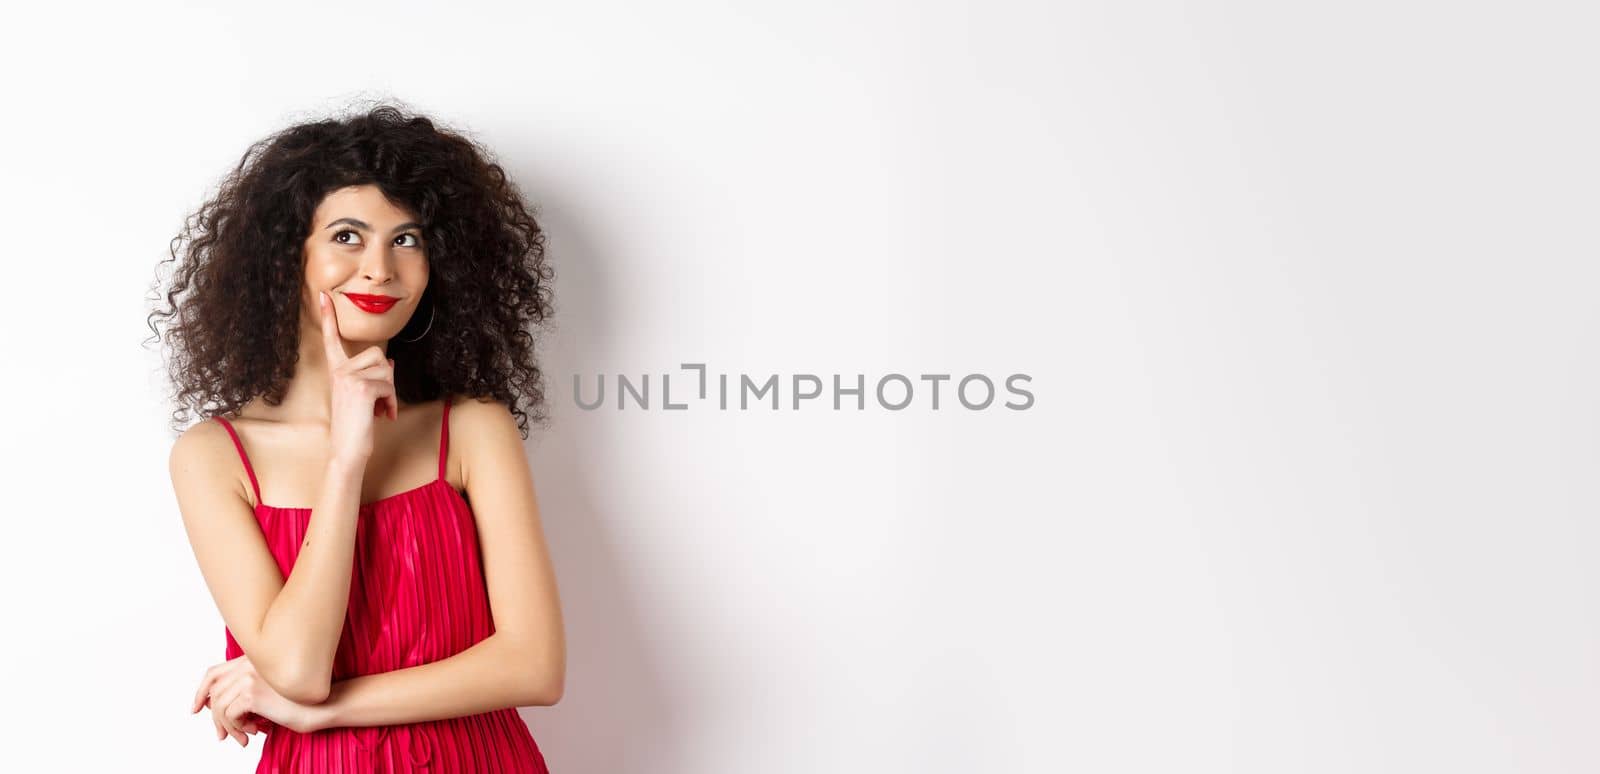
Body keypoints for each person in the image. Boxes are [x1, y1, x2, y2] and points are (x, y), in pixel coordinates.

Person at [149, 103, 564, 772]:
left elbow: (535, 666)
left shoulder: (472, 429)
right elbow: (296, 668)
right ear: (290, 256)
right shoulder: (214, 457)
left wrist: (325, 710)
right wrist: (346, 459)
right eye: (347, 236)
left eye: (407, 240)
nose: (380, 269)